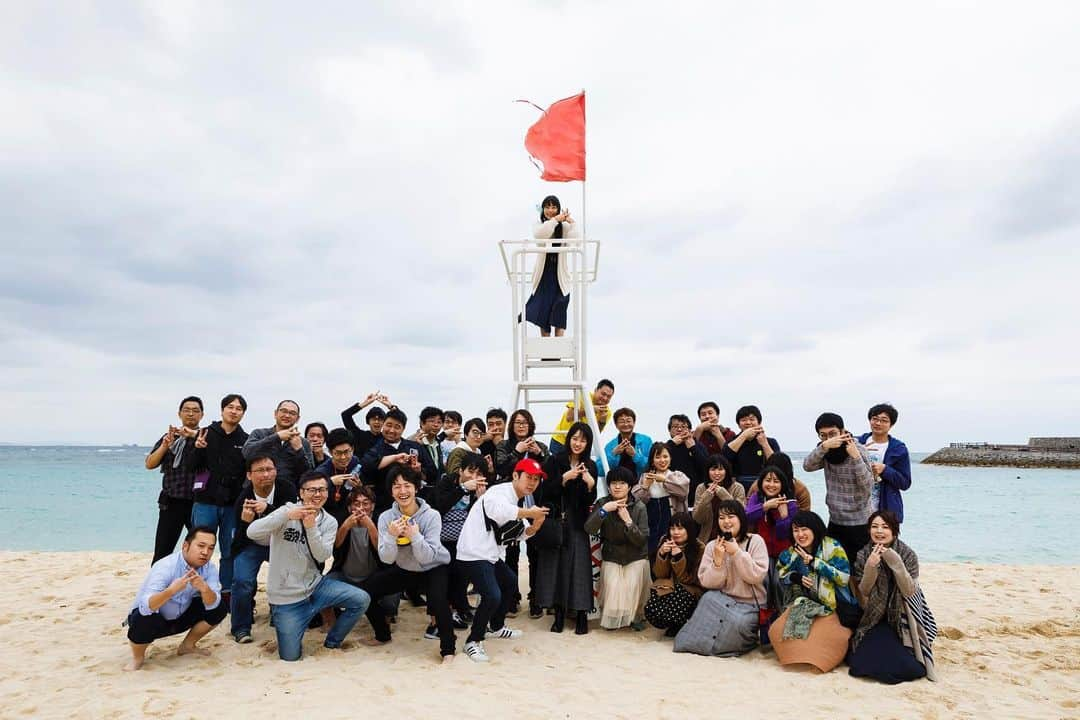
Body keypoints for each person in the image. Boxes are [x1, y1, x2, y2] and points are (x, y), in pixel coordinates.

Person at [246, 471, 371, 661]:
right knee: (290, 657)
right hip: (286, 599)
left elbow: (322, 555)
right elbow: (252, 532)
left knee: (361, 599)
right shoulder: (285, 511)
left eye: (322, 489)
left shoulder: (329, 521)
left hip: (316, 588)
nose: (317, 494)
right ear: (301, 493)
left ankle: (333, 642)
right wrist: (287, 515)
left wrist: (311, 527)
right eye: (311, 490)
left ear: (328, 493)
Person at [455, 458, 550, 662]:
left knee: (509, 583)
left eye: (536, 479)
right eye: (529, 477)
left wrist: (535, 526)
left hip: (489, 554)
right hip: (473, 552)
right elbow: (500, 511)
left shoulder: (518, 498)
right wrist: (530, 513)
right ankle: (473, 641)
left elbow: (521, 530)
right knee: (492, 596)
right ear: (516, 476)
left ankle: (495, 627)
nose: (532, 482)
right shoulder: (499, 493)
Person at [364, 465, 457, 662]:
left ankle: (448, 650)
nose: (403, 491)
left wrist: (415, 536)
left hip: (433, 566)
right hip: (405, 568)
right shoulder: (386, 518)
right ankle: (383, 635)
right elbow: (387, 559)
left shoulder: (431, 516)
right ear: (391, 491)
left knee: (439, 600)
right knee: (366, 591)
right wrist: (391, 536)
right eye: (396, 487)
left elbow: (427, 557)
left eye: (407, 485)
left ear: (416, 488)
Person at [849, 511, 937, 683]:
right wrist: (870, 567)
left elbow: (909, 591)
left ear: (894, 531)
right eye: (874, 527)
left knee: (912, 668)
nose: (879, 531)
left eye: (885, 527)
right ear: (869, 530)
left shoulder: (908, 554)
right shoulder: (863, 554)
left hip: (901, 618)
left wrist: (895, 562)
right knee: (858, 665)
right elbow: (864, 591)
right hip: (874, 618)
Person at [673, 500, 767, 657]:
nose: (726, 522)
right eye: (721, 518)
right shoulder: (712, 546)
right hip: (720, 599)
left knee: (738, 624)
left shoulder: (755, 541)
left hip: (749, 604)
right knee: (706, 600)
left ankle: (724, 646)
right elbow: (707, 582)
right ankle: (705, 646)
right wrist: (718, 561)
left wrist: (736, 553)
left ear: (741, 519)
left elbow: (755, 577)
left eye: (731, 517)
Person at [124, 526, 226, 671]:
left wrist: (204, 589)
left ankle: (187, 646)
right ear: (185, 545)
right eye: (201, 546)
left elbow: (213, 604)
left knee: (220, 607)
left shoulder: (209, 568)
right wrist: (171, 591)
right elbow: (146, 606)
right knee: (143, 617)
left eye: (211, 548)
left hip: (180, 617)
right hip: (154, 620)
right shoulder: (165, 566)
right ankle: (138, 657)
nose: (205, 552)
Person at [769, 510, 856, 672]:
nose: (800, 534)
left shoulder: (832, 546)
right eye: (796, 530)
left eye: (804, 529)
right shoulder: (791, 553)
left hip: (834, 604)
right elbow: (781, 574)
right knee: (776, 632)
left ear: (815, 529)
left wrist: (815, 563)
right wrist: (795, 577)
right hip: (806, 601)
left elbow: (843, 578)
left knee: (830, 639)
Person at [229, 454, 298, 643]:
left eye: (270, 469)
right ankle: (241, 628)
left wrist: (267, 508)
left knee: (286, 579)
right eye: (260, 470)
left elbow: (292, 516)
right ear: (249, 476)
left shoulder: (287, 488)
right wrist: (245, 522)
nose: (266, 474)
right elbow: (240, 538)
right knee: (242, 582)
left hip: (281, 543)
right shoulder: (243, 498)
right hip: (252, 545)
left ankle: (279, 616)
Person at [537, 422, 598, 635]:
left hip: (579, 522)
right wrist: (565, 478)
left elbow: (589, 500)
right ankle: (559, 613)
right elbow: (543, 492)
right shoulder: (554, 461)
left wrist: (590, 484)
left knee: (580, 566)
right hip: (557, 520)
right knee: (558, 567)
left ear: (588, 443)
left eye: (583, 440)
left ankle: (582, 614)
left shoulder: (590, 464)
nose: (578, 443)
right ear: (568, 438)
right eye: (575, 438)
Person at [188, 393, 249, 601]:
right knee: (199, 547)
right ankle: (194, 589)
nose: (234, 411)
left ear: (243, 413)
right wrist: (197, 449)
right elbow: (190, 467)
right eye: (230, 407)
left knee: (229, 550)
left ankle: (226, 592)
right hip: (205, 501)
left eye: (239, 408)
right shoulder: (205, 433)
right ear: (222, 410)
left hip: (232, 504)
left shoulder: (245, 440)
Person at [495, 409, 550, 617]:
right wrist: (517, 452)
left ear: (531, 426)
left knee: (535, 554)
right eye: (517, 422)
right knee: (511, 553)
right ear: (511, 425)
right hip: (512, 506)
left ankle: (535, 598)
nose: (521, 426)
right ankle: (512, 598)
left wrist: (539, 454)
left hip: (534, 505)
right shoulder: (504, 446)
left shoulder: (540, 446)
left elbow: (549, 471)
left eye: (525, 423)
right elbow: (501, 469)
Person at [584, 467, 651, 631]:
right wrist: (605, 510)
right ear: (608, 486)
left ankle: (636, 616)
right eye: (613, 483)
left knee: (633, 585)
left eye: (622, 483)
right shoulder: (602, 503)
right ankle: (618, 618)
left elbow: (641, 540)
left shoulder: (639, 506)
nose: (617, 487)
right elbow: (589, 528)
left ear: (629, 487)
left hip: (636, 556)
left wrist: (628, 521)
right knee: (613, 593)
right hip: (612, 556)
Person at [803, 412, 874, 562]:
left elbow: (867, 486)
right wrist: (823, 447)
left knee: (858, 569)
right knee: (835, 566)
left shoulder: (858, 449)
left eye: (833, 434)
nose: (829, 439)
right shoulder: (825, 450)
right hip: (835, 519)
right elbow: (807, 466)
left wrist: (855, 458)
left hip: (860, 522)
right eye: (823, 435)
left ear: (842, 431)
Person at [324, 485, 397, 622]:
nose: (361, 508)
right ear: (349, 507)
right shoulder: (341, 519)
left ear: (373, 506)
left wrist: (370, 526)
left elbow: (382, 550)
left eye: (365, 503)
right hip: (345, 574)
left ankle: (385, 619)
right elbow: (336, 547)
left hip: (375, 576)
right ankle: (331, 623)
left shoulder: (381, 520)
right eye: (356, 504)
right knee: (322, 589)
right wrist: (346, 526)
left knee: (390, 602)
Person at [146, 396, 204, 563]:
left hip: (198, 502)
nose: (191, 414)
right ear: (179, 414)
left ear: (202, 415)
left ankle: (195, 584)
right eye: (187, 410)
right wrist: (165, 445)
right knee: (163, 550)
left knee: (198, 549)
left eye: (195, 411)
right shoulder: (170, 437)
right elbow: (150, 464)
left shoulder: (206, 437)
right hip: (171, 501)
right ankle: (157, 586)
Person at [433, 452, 489, 625]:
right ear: (460, 471)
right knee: (446, 578)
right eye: (470, 472)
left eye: (479, 474)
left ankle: (461, 607)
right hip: (441, 541)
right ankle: (450, 611)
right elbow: (439, 506)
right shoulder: (446, 483)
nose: (474, 477)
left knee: (463, 576)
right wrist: (463, 489)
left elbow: (480, 519)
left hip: (464, 542)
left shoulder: (480, 490)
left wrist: (481, 500)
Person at [359, 407, 436, 514]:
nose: (391, 430)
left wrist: (419, 472)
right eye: (388, 425)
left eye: (397, 427)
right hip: (384, 507)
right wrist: (394, 458)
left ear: (403, 429)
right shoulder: (375, 448)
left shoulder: (415, 447)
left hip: (414, 506)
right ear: (383, 425)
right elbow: (366, 466)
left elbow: (433, 473)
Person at [525, 194, 579, 337]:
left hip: (559, 274)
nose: (550, 210)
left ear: (558, 208)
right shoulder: (539, 224)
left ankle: (558, 349)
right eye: (547, 207)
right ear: (543, 209)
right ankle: (547, 353)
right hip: (544, 274)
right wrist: (555, 220)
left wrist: (572, 223)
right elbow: (540, 236)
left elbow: (575, 241)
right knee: (543, 312)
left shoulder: (565, 227)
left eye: (554, 207)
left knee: (560, 307)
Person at [644, 511, 705, 637]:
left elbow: (688, 579)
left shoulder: (699, 547)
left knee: (678, 596)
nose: (676, 532)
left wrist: (678, 557)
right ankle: (672, 624)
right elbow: (660, 574)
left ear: (689, 529)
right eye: (672, 528)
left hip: (690, 590)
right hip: (668, 587)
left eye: (680, 528)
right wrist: (661, 554)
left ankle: (681, 624)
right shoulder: (664, 541)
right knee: (652, 608)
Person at [631, 443, 690, 558]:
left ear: (670, 458)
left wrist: (664, 480)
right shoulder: (645, 477)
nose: (662, 460)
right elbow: (636, 501)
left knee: (673, 552)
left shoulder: (677, 475)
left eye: (665, 456)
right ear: (652, 461)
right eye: (657, 457)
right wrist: (645, 487)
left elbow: (683, 492)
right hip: (651, 522)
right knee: (652, 553)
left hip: (671, 520)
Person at [858, 403, 912, 523]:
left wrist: (885, 470)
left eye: (884, 420)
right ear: (870, 420)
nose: (878, 423)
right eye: (875, 419)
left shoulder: (898, 449)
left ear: (891, 424)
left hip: (885, 510)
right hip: (857, 509)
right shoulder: (858, 442)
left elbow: (905, 483)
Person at [241, 400, 315, 487]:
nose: (287, 415)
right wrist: (276, 437)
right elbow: (246, 453)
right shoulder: (259, 434)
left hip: (288, 493)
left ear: (297, 418)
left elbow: (308, 474)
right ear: (275, 413)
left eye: (292, 413)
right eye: (284, 411)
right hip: (256, 490)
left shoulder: (303, 442)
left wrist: (299, 450)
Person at [722, 405, 781, 491]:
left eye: (752, 419)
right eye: (744, 420)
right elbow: (725, 457)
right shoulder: (732, 442)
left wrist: (764, 443)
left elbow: (777, 464)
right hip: (738, 485)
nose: (748, 423)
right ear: (738, 424)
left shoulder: (771, 442)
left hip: (764, 485)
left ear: (759, 422)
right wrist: (744, 436)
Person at [745, 465, 799, 561]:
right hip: (760, 551)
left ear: (782, 484)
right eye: (768, 480)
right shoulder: (756, 497)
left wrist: (784, 517)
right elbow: (746, 518)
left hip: (784, 553)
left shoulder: (790, 503)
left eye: (776, 481)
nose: (771, 485)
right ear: (761, 482)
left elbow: (784, 535)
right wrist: (764, 507)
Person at [550, 379, 614, 454]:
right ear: (596, 390)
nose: (605, 398)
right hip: (561, 441)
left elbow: (595, 434)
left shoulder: (607, 412)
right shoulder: (582, 396)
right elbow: (569, 416)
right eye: (603, 394)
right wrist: (590, 410)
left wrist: (602, 422)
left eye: (609, 397)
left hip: (579, 445)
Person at [693, 455, 746, 544]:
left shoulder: (738, 487)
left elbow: (742, 515)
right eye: (713, 469)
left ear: (726, 471)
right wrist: (706, 497)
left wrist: (724, 495)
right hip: (707, 538)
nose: (717, 473)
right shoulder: (701, 488)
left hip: (733, 538)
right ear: (707, 471)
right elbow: (698, 518)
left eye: (721, 469)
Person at [316, 428, 363, 521]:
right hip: (327, 514)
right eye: (338, 453)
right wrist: (330, 482)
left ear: (352, 449)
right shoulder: (321, 472)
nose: (343, 457)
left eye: (346, 452)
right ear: (330, 452)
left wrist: (359, 486)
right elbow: (313, 495)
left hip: (351, 511)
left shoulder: (355, 462)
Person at [665, 414, 710, 500]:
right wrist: (671, 444)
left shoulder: (697, 445)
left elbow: (706, 467)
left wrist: (693, 448)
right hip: (672, 492)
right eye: (675, 427)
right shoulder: (666, 447)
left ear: (689, 430)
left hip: (696, 493)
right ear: (669, 431)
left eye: (683, 427)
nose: (679, 429)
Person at [747, 452, 812, 511]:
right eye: (769, 479)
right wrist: (764, 507)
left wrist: (785, 516)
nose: (771, 484)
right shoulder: (758, 486)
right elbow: (747, 512)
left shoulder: (800, 489)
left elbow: (805, 517)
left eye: (777, 480)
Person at [603, 407, 652, 477]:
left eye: (628, 421)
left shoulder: (646, 441)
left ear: (634, 423)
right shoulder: (610, 445)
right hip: (618, 485)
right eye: (622, 421)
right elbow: (600, 470)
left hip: (640, 484)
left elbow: (652, 465)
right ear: (616, 425)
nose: (625, 424)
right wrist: (613, 454)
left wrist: (635, 455)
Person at [340, 391, 392, 457]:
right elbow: (345, 415)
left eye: (380, 419)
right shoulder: (359, 435)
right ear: (368, 421)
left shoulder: (388, 438)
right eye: (373, 419)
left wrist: (390, 406)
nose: (376, 422)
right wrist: (366, 402)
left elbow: (400, 420)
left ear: (384, 422)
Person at [414, 406, 447, 484]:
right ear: (422, 423)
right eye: (432, 421)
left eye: (439, 422)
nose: (436, 425)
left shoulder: (438, 442)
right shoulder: (413, 441)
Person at [480, 408, 507, 481]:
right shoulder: (481, 443)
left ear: (505, 424)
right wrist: (482, 439)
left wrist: (500, 445)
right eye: (491, 425)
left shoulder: (511, 443)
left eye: (498, 424)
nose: (495, 428)